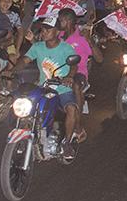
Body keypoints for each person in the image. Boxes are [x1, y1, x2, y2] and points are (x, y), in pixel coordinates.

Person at [16, 21, 81, 160]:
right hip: (42, 87)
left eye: (48, 30)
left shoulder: (66, 48)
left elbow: (74, 65)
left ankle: (67, 143)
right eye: (43, 30)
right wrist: (13, 70)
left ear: (57, 32)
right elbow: (25, 60)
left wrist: (69, 77)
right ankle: (26, 132)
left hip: (62, 89)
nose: (44, 32)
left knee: (71, 109)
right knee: (22, 103)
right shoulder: (37, 47)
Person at [57, 8, 101, 117]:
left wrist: (89, 40)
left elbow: (100, 59)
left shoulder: (81, 38)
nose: (58, 22)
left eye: (61, 20)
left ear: (68, 21)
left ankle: (77, 122)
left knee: (76, 86)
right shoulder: (59, 35)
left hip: (78, 72)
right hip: (58, 70)